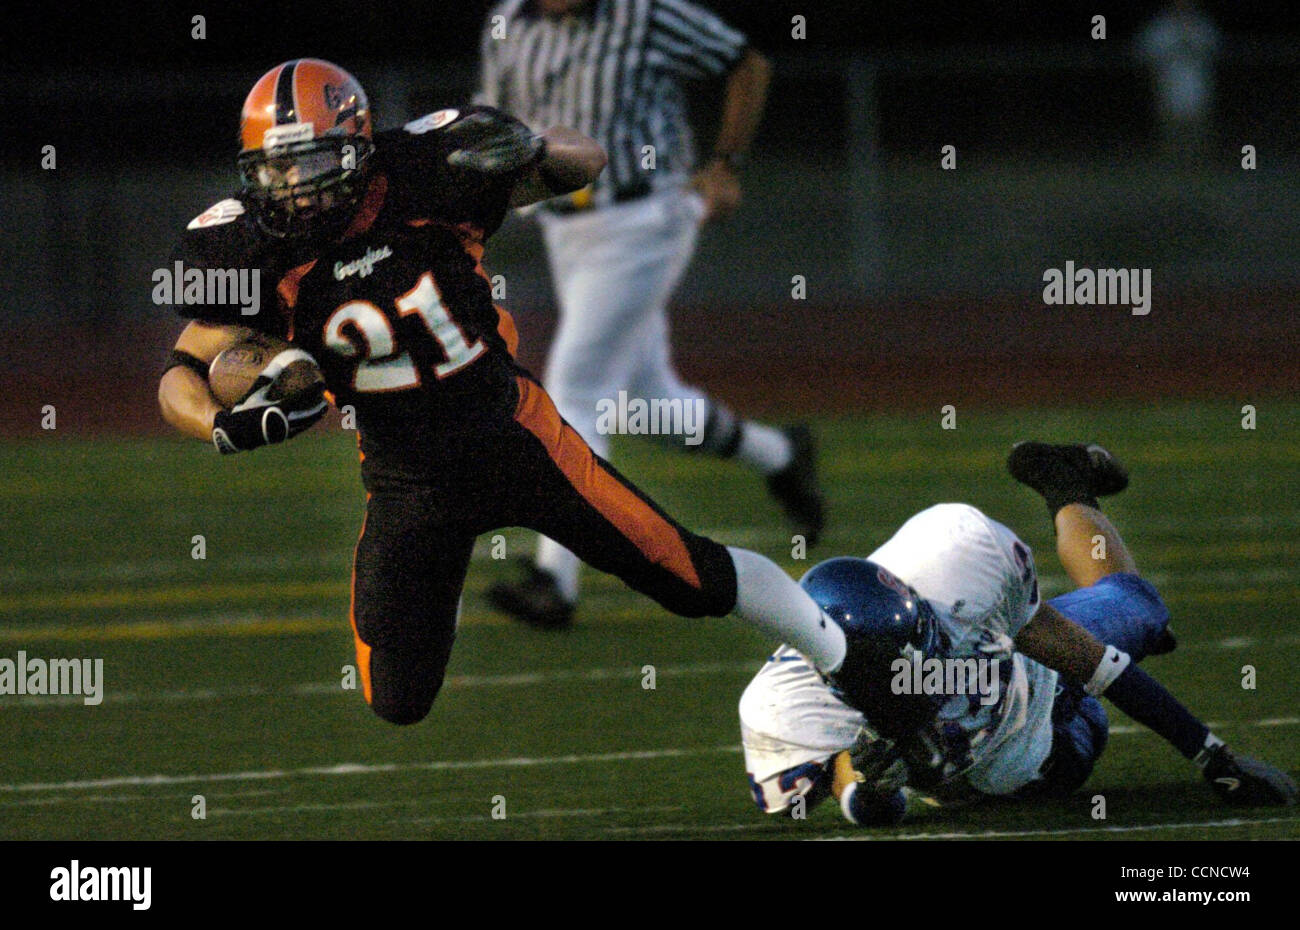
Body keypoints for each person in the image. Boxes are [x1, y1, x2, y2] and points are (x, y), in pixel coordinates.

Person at [157, 58, 855, 728]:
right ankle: (442, 578)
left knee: (689, 575)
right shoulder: (254, 249)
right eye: (272, 169)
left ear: (353, 150)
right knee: (396, 699)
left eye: (305, 165)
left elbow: (583, 163)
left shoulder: (426, 174)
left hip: (515, 437)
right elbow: (181, 372)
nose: (289, 188)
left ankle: (847, 654)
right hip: (408, 480)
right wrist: (219, 425)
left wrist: (533, 146)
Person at [476, 0, 825, 630]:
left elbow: (746, 63)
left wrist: (725, 165)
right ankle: (780, 454)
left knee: (575, 390)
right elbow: (496, 117)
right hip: (564, 228)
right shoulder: (511, 22)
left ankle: (555, 580)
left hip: (645, 217)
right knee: (649, 403)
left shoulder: (643, 12)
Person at [739, 441, 1297, 825]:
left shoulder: (959, 554)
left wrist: (1214, 758)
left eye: (923, 647)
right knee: (1090, 720)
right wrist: (862, 786)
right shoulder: (782, 710)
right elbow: (831, 790)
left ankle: (1065, 481)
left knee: (1142, 608)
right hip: (1040, 759)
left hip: (1032, 667)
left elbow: (1091, 662)